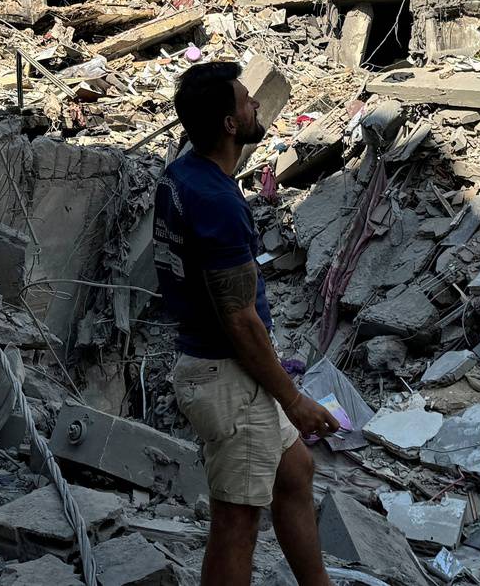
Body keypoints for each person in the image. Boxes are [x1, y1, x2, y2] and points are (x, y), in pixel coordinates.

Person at [155, 61, 336, 586]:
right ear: (230, 125)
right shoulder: (216, 202)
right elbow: (240, 321)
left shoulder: (185, 174)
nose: (256, 104)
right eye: (246, 100)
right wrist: (293, 398)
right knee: (236, 522)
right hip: (227, 377)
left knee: (295, 471)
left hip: (223, 368)